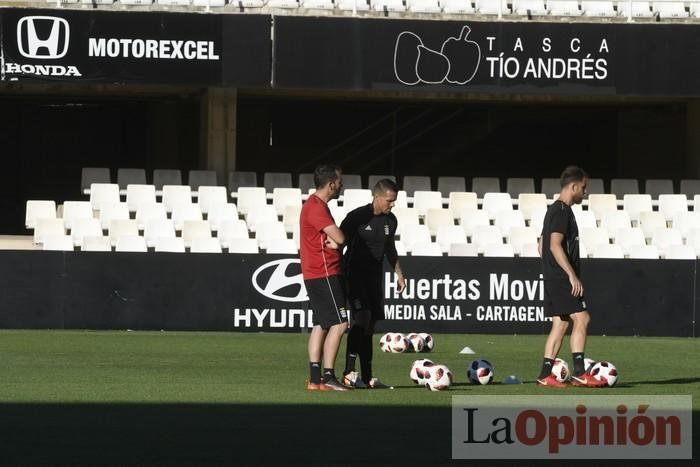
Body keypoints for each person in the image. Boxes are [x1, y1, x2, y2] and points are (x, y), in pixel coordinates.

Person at [536, 166, 606, 388]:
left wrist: (550, 267)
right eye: (583, 187)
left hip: (553, 275)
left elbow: (541, 245)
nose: (585, 192)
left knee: (561, 322)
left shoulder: (555, 211)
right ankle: (579, 372)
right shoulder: (561, 211)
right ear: (574, 186)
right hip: (561, 277)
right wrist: (571, 275)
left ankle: (545, 375)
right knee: (582, 318)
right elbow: (554, 245)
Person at [340, 178, 406, 389]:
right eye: (389, 200)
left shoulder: (391, 221)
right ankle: (348, 373)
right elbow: (337, 246)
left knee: (370, 325)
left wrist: (399, 274)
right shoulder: (356, 217)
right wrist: (338, 276)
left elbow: (390, 249)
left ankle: (368, 377)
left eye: (394, 200)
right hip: (354, 276)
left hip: (374, 279)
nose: (392, 204)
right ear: (376, 197)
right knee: (362, 319)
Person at [300, 164, 349, 391]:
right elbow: (339, 236)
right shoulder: (317, 207)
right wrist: (339, 242)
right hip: (325, 272)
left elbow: (333, 239)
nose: (341, 185)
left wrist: (336, 243)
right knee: (340, 324)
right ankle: (328, 377)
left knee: (322, 324)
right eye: (339, 181)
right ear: (331, 184)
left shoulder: (314, 205)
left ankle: (314, 378)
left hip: (317, 272)